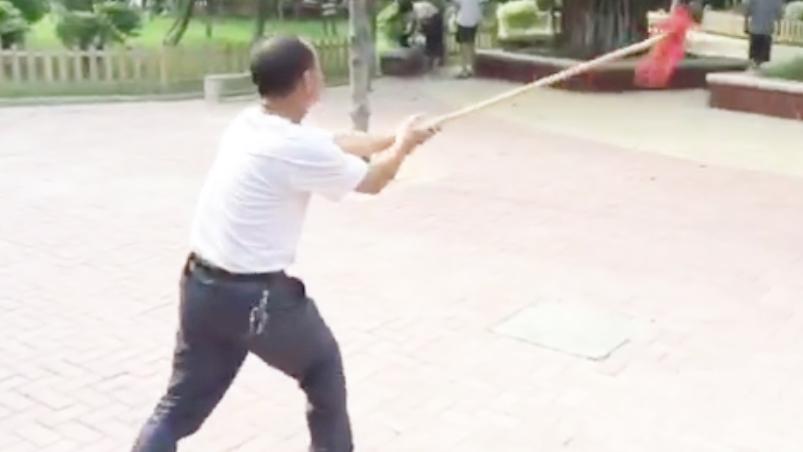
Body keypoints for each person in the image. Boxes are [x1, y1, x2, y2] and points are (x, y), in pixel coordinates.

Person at [130, 36, 439, 452]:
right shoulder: (294, 146)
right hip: (255, 301)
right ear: (308, 80)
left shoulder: (251, 122)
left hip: (201, 286)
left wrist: (395, 136)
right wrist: (404, 147)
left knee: (177, 409)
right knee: (322, 366)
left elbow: (335, 143)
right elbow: (372, 181)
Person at [744, 0, 785, 69]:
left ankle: (755, 65)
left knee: (755, 55)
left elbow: (747, 12)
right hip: (767, 30)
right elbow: (779, 16)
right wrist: (779, 29)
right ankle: (758, 66)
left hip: (755, 29)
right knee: (762, 55)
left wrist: (746, 26)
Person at [451, 0, 483, 78]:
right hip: (474, 21)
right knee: (471, 45)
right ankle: (472, 68)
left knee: (463, 46)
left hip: (463, 22)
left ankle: (464, 70)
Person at [414, 0, 446, 70]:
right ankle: (432, 62)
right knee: (431, 40)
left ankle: (435, 62)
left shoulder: (417, 7)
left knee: (434, 40)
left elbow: (421, 21)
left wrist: (418, 31)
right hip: (434, 18)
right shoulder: (418, 6)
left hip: (435, 18)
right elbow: (421, 21)